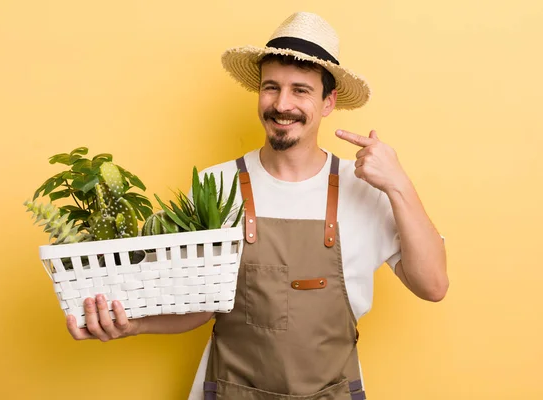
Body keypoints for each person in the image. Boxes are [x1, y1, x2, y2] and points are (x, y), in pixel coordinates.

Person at [67, 12, 448, 399]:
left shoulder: (365, 187)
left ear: (328, 101)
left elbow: (433, 285)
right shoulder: (216, 186)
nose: (282, 105)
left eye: (300, 90)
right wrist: (133, 324)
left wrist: (399, 184)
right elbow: (200, 306)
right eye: (271, 88)